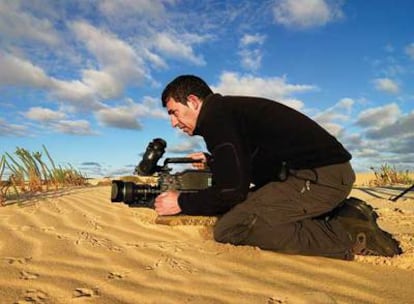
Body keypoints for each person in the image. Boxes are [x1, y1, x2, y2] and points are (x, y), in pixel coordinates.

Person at [154, 74, 402, 260]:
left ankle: (346, 234)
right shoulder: (227, 111)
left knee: (231, 227)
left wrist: (182, 202)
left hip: (320, 178)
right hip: (317, 174)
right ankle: (338, 214)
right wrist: (214, 160)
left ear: (194, 101)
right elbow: (251, 160)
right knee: (246, 208)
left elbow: (232, 191)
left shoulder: (216, 118)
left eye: (174, 112)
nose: (174, 123)